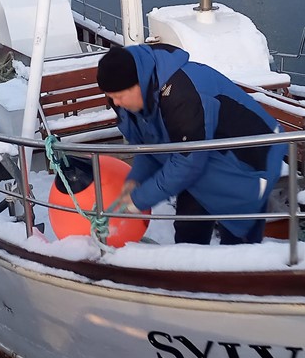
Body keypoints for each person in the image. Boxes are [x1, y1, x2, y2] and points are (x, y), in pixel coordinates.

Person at [96, 44, 286, 244]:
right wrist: (136, 179)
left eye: (119, 95)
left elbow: (187, 163)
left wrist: (140, 199)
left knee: (239, 241)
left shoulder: (183, 93)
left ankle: (244, 270)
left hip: (247, 161)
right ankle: (191, 270)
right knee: (188, 232)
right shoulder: (137, 98)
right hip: (204, 159)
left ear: (139, 83)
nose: (115, 103)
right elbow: (149, 146)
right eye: (111, 96)